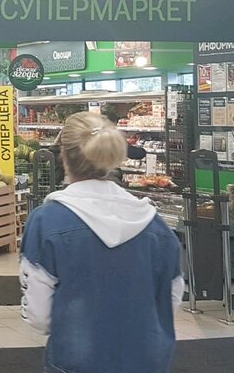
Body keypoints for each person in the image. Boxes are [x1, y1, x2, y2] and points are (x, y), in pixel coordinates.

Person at [20, 112, 183, 373]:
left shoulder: (47, 221)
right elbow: (170, 299)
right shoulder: (157, 227)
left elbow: (39, 317)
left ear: (64, 156)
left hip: (75, 361)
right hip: (146, 360)